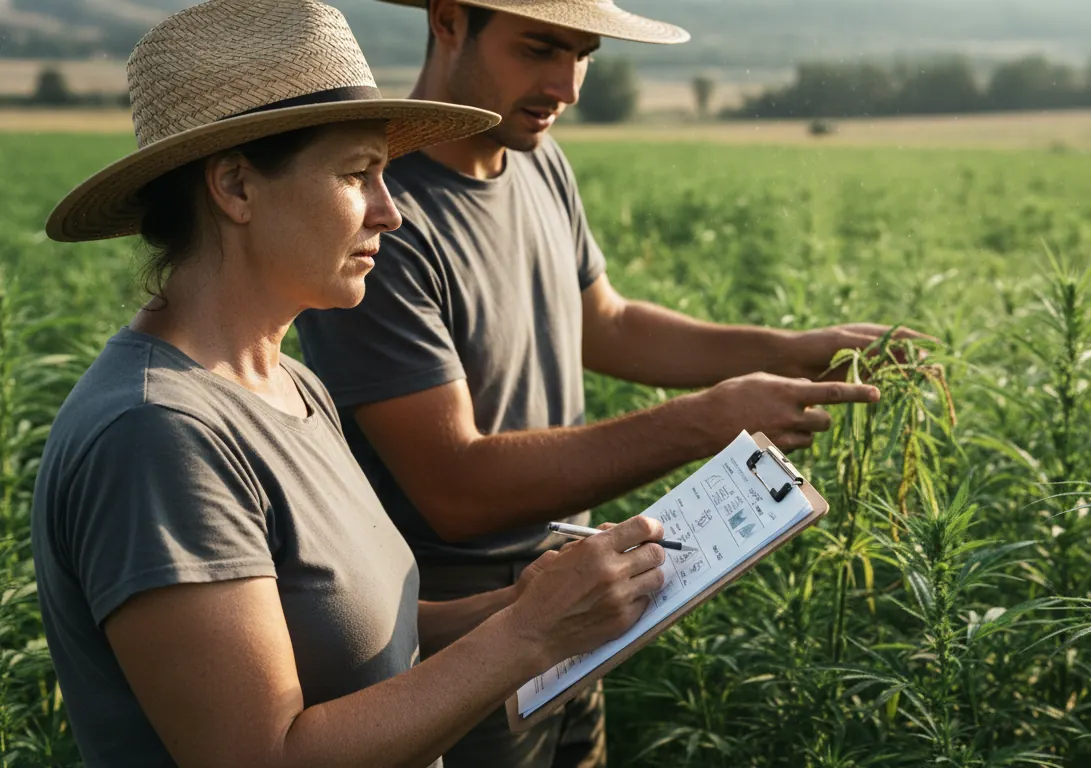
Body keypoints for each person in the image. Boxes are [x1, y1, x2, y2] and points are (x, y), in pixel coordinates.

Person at [292, 0, 936, 764]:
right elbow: (456, 489)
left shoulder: (535, 161)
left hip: (575, 589)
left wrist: (792, 351)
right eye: (538, 48)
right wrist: (705, 421)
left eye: (583, 53)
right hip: (457, 629)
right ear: (447, 21)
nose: (565, 84)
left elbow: (608, 322)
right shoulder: (377, 221)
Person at [30, 2, 670, 767]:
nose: (390, 212)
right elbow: (264, 755)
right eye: (357, 174)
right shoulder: (156, 436)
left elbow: (364, 635)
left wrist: (527, 602)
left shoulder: (290, 385)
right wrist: (527, 634)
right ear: (235, 187)